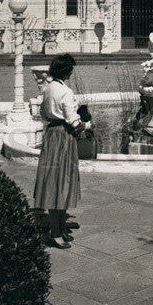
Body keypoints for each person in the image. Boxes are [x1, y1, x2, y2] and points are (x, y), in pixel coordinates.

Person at [33, 53, 87, 248]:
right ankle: (56, 232)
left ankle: (60, 227)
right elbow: (73, 119)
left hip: (51, 135)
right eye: (70, 70)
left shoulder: (48, 89)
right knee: (62, 181)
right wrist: (85, 126)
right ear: (67, 72)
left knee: (53, 181)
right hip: (64, 136)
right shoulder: (66, 91)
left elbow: (42, 114)